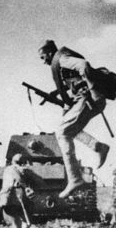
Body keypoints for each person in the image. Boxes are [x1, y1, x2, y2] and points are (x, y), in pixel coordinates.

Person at [38, 39, 110, 198]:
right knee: (69, 129)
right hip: (83, 98)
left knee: (62, 132)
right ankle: (98, 147)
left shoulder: (61, 59)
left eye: (43, 58)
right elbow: (73, 80)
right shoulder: (60, 62)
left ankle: (75, 178)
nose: (43, 62)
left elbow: (83, 65)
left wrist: (94, 91)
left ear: (50, 52)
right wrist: (55, 93)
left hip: (87, 98)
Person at [0, 153, 45, 228]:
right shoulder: (27, 170)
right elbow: (40, 181)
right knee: (25, 223)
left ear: (12, 161)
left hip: (8, 199)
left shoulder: (8, 169)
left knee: (15, 227)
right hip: (23, 199)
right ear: (24, 162)